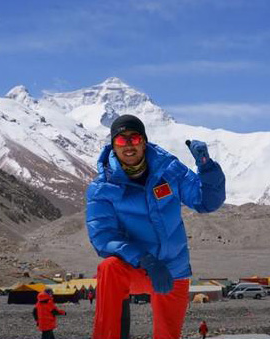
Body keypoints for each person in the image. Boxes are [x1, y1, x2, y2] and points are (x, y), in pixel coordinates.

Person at [86, 114, 226, 338]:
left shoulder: (169, 170)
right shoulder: (102, 187)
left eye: (135, 138)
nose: (129, 145)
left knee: (168, 335)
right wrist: (145, 259)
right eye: (122, 140)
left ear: (144, 141)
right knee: (109, 269)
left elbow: (206, 202)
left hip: (173, 270)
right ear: (113, 145)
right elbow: (103, 236)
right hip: (137, 267)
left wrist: (207, 168)